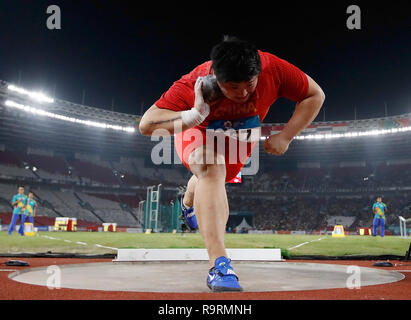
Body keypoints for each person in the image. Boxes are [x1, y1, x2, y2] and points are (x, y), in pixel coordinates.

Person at [139, 36, 325, 291]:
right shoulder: (194, 81)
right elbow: (147, 125)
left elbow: (315, 94)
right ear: (215, 76)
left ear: (258, 70)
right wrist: (193, 115)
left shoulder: (273, 68)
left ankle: (187, 202)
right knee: (210, 166)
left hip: (240, 139)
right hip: (197, 131)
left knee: (216, 176)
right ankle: (220, 265)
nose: (244, 93)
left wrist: (286, 135)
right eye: (233, 88)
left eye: (249, 84)